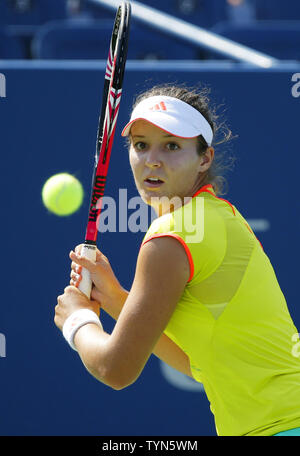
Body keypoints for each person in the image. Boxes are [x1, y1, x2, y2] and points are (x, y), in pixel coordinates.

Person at [55, 84, 300, 437]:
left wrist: (76, 320)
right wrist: (113, 298)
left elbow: (116, 369)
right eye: (141, 145)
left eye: (172, 145)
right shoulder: (218, 215)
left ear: (205, 158)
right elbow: (197, 364)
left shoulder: (173, 234)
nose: (152, 159)